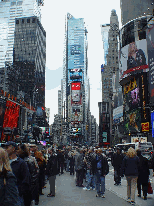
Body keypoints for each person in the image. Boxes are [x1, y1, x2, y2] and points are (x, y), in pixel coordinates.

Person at [5, 141, 31, 206]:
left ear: (13, 148)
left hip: (17, 197)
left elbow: (26, 180)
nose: (5, 149)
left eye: (7, 147)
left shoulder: (21, 163)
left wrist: (19, 192)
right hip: (5, 197)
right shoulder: (4, 162)